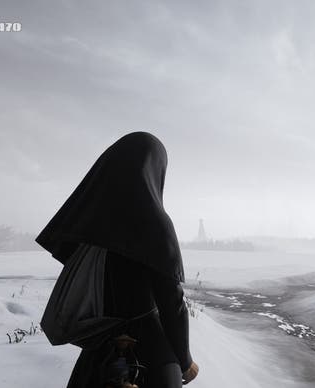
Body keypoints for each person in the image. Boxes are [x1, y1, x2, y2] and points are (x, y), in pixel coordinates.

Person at [35, 132, 199, 388]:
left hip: (99, 351)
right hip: (150, 353)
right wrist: (185, 360)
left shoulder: (93, 227)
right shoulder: (155, 223)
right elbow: (172, 303)